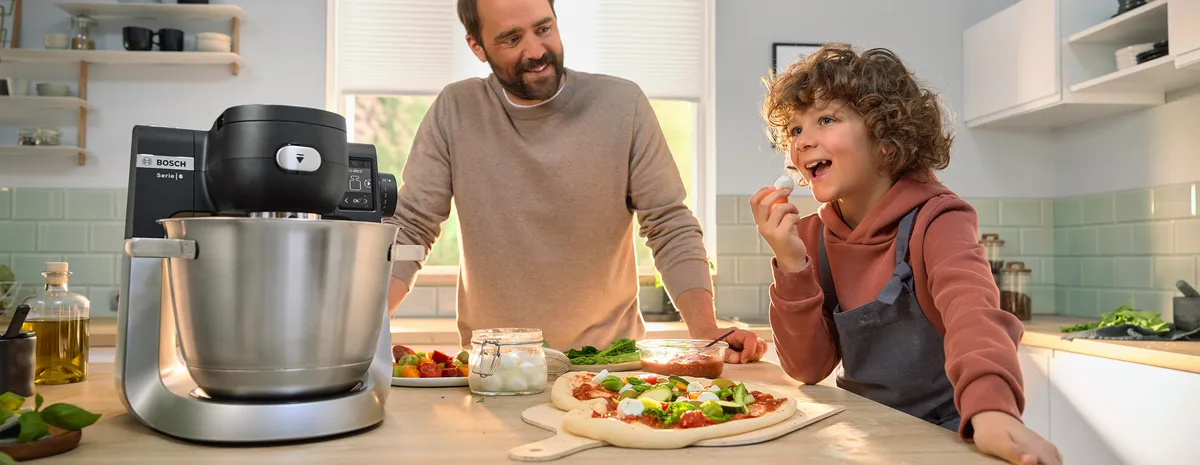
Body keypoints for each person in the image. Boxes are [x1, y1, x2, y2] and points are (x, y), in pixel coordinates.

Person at [383, 0, 767, 362]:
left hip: (608, 364)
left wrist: (703, 330)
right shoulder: (456, 109)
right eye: (512, 39)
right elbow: (413, 227)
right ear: (477, 46)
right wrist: (372, 319)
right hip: (496, 366)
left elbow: (669, 223)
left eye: (544, 28)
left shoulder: (622, 104)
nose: (536, 50)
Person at [751, 44, 1061, 465]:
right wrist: (790, 263)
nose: (803, 142)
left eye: (825, 119)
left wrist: (991, 410)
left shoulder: (938, 219)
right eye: (794, 130)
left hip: (944, 436)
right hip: (862, 435)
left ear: (886, 139)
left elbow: (974, 315)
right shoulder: (813, 236)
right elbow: (808, 367)